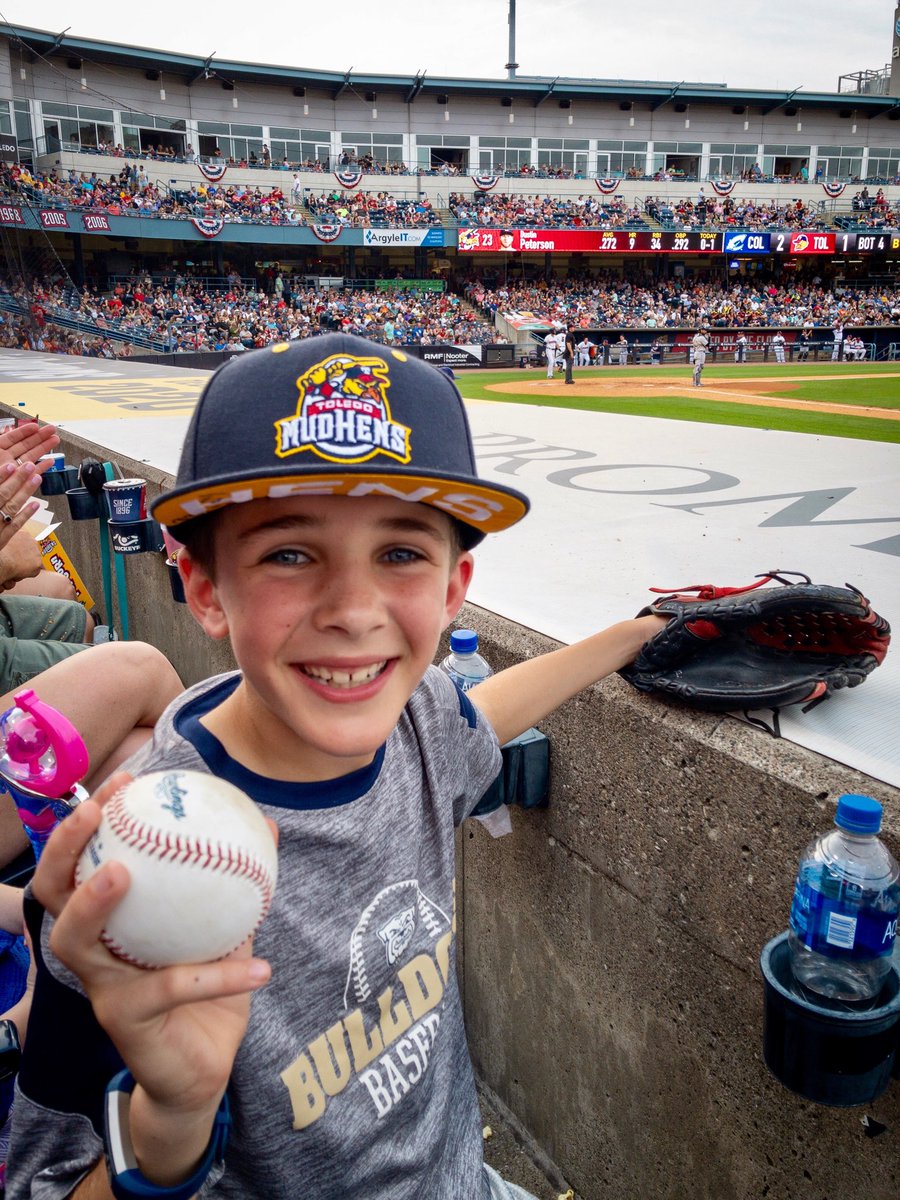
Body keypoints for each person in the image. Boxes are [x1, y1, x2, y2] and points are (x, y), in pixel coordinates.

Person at [9, 335, 665, 1200]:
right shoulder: (130, 885)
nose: (355, 613)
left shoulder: (422, 716)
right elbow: (41, 1183)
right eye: (288, 553)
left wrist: (645, 630)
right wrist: (171, 1124)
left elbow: (481, 715)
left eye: (400, 554)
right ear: (205, 589)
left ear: (452, 588)